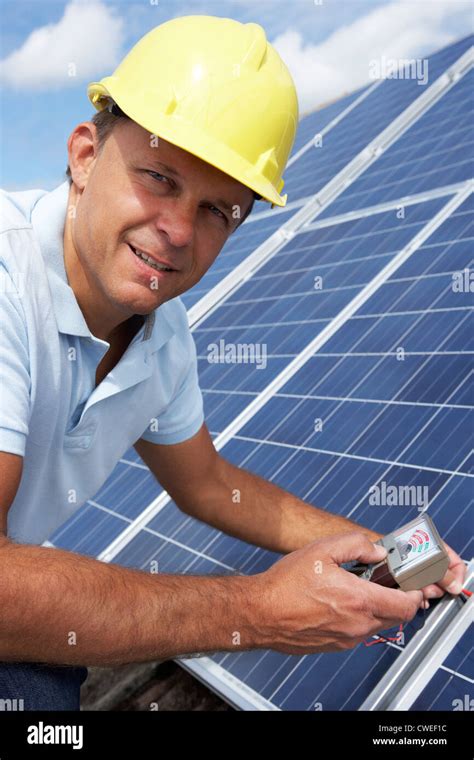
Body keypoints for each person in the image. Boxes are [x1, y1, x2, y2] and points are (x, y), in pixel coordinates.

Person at [0, 15, 465, 711]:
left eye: (219, 210)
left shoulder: (163, 336)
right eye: (158, 177)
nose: (181, 231)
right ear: (85, 154)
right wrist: (257, 610)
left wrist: (385, 551)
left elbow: (209, 484)